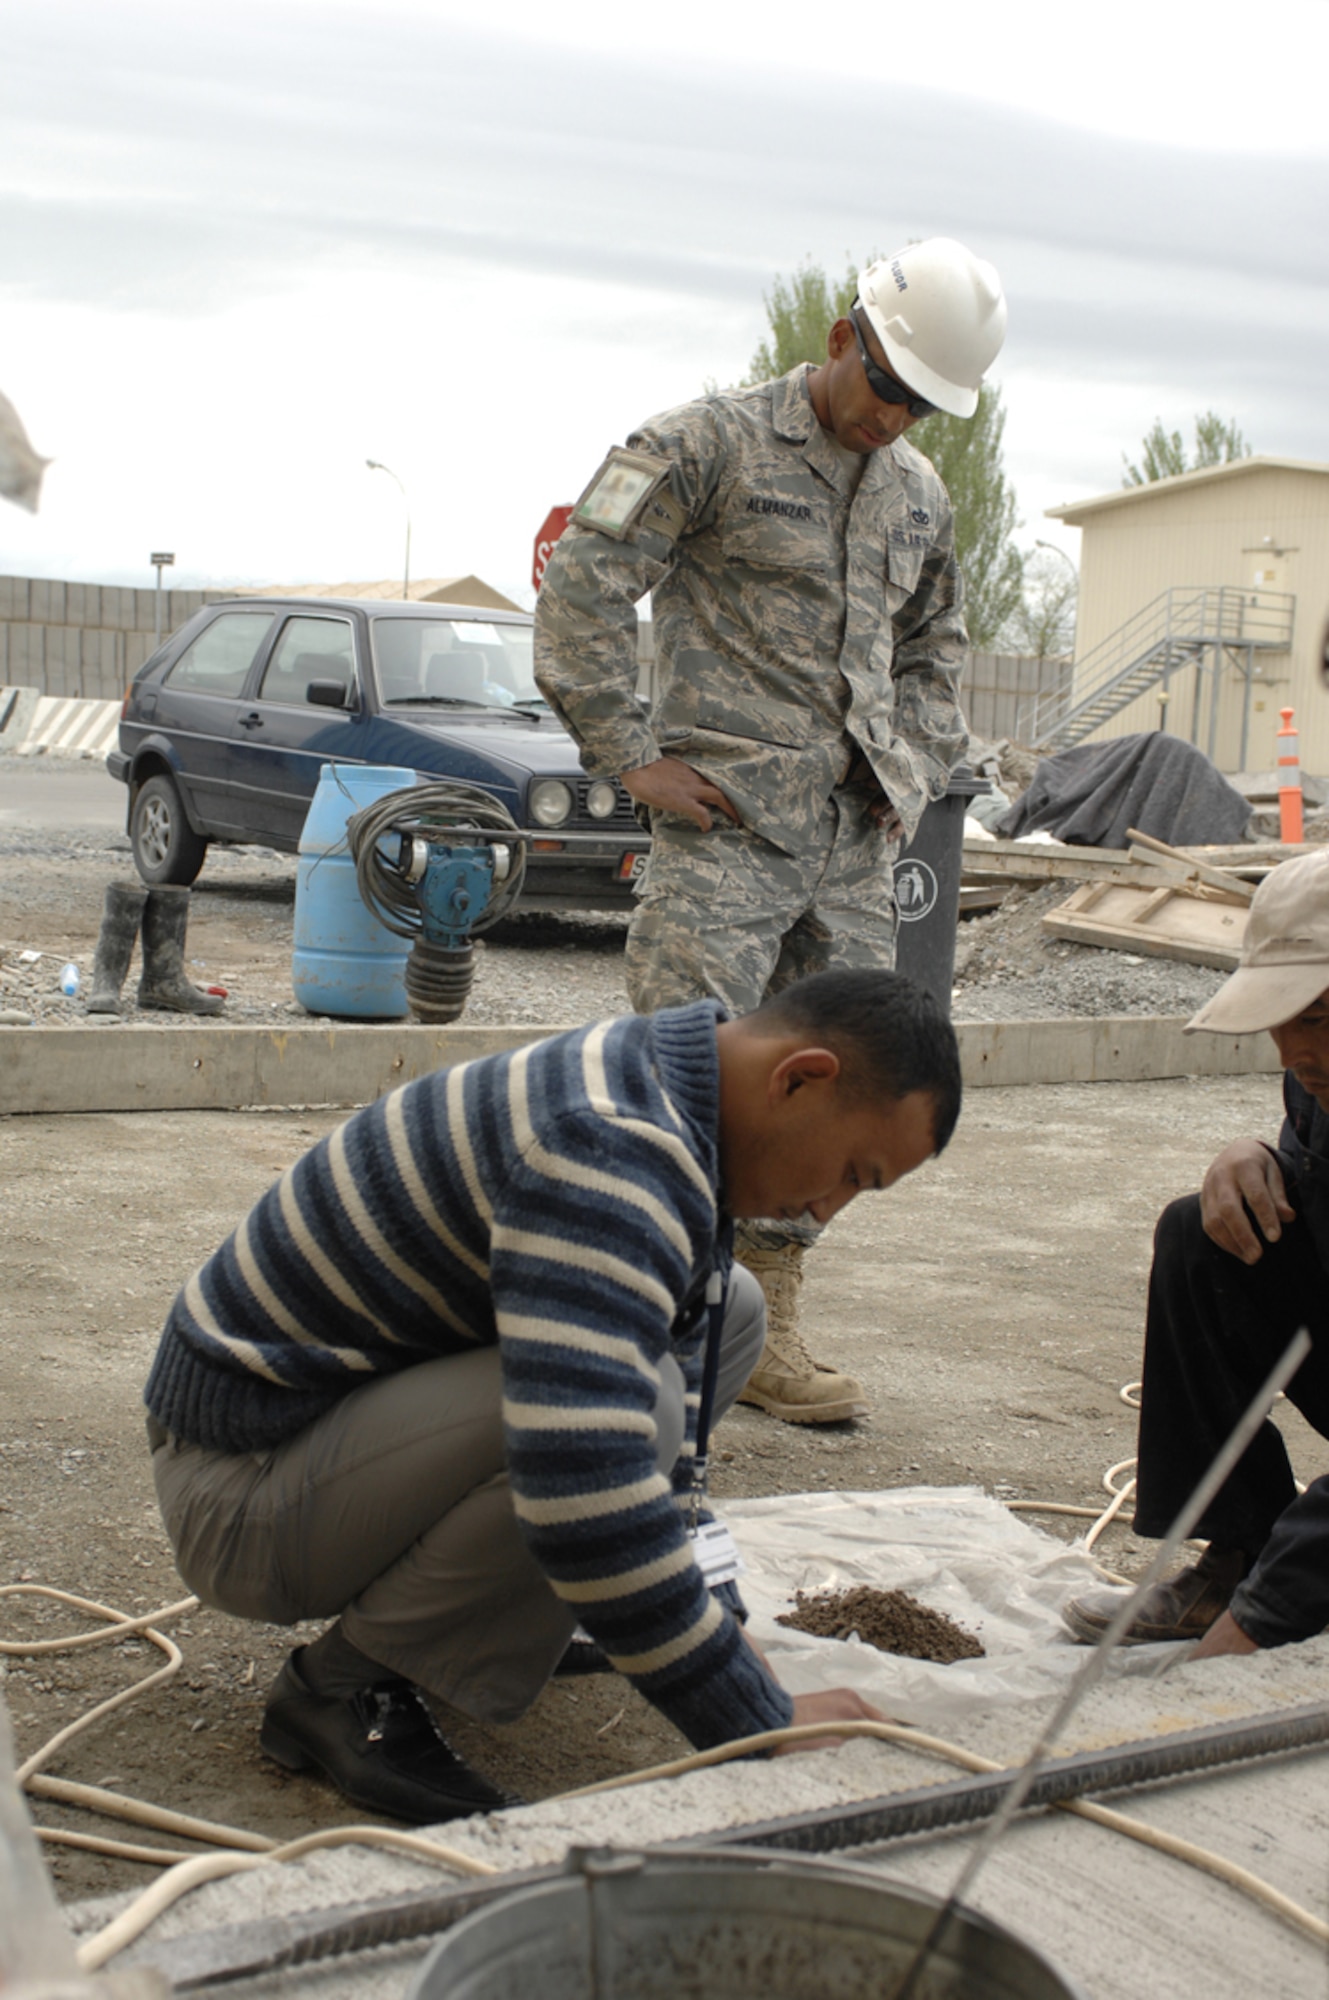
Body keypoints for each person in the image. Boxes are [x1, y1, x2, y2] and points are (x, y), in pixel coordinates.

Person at [143, 968, 962, 1824]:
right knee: (603, 1430)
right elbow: (588, 1482)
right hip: (238, 1491)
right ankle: (338, 1692)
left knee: (733, 1317)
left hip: (323, 1448)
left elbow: (677, 1455)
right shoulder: (613, 1146)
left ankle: (517, 1616)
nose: (823, 1212)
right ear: (799, 1078)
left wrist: (720, 1626)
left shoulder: (676, 1091)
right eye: (852, 1174)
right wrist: (754, 1717)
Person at [534, 237, 1006, 1426]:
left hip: (850, 846)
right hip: (727, 834)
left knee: (838, 1094)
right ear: (845, 338)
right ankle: (646, 1330)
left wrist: (912, 759)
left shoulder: (919, 498)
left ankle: (767, 1334)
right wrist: (629, 753)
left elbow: (938, 643)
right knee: (677, 1085)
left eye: (922, 407)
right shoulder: (708, 443)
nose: (894, 420)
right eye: (888, 388)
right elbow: (583, 578)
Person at [1063, 850, 1329, 1655]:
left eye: (1315, 1017)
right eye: (1281, 1020)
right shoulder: (1316, 1083)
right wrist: (1257, 1155)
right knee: (1201, 1231)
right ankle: (1239, 1548)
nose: (1291, 1054)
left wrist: (1258, 1629)